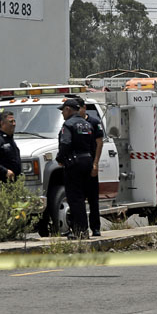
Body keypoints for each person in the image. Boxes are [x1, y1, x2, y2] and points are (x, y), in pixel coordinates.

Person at [56, 98, 96, 239]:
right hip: (87, 162)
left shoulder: (68, 125)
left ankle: (80, 232)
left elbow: (65, 143)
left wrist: (60, 159)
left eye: (63, 111)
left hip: (74, 164)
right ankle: (83, 230)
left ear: (68, 109)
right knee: (83, 198)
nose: (62, 114)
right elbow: (93, 146)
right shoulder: (87, 124)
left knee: (75, 199)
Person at [70, 95, 105, 237]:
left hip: (90, 165)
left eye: (79, 108)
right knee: (77, 199)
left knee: (93, 199)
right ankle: (77, 228)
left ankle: (95, 228)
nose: (77, 111)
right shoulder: (70, 123)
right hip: (76, 167)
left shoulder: (93, 122)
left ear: (84, 108)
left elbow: (99, 143)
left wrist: (95, 163)